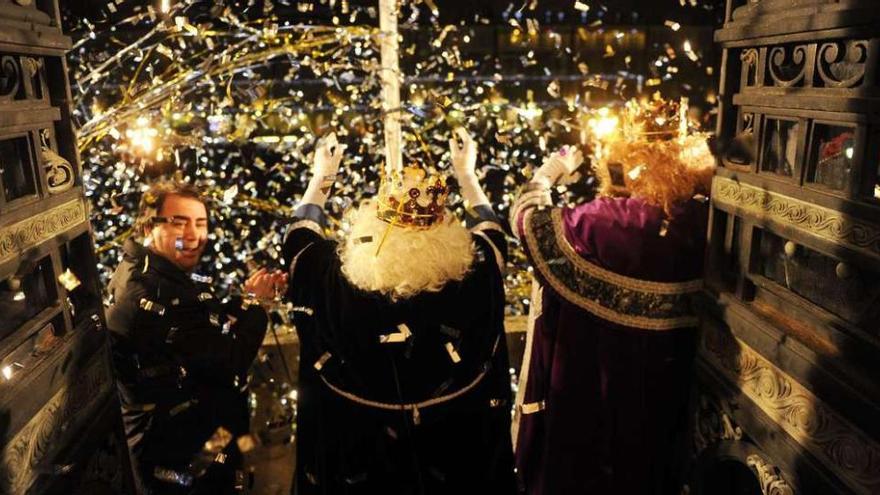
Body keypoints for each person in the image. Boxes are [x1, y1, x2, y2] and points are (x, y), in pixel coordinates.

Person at [282, 130, 516, 494]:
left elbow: (299, 237)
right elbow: (491, 234)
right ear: (445, 232)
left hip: (357, 465)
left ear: (374, 224)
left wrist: (322, 177)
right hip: (455, 462)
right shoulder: (476, 279)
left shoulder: (330, 279)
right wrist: (467, 177)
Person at [511, 99, 715, 495]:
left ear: (630, 157)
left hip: (595, 394)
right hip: (672, 386)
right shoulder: (703, 219)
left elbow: (528, 222)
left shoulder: (604, 222)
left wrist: (547, 174)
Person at [106, 180, 286, 494]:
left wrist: (244, 301)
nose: (194, 236)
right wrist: (258, 306)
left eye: (200, 223)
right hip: (179, 456)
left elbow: (200, 328)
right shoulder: (156, 293)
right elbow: (230, 360)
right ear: (150, 224)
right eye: (179, 223)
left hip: (196, 436)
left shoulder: (144, 267)